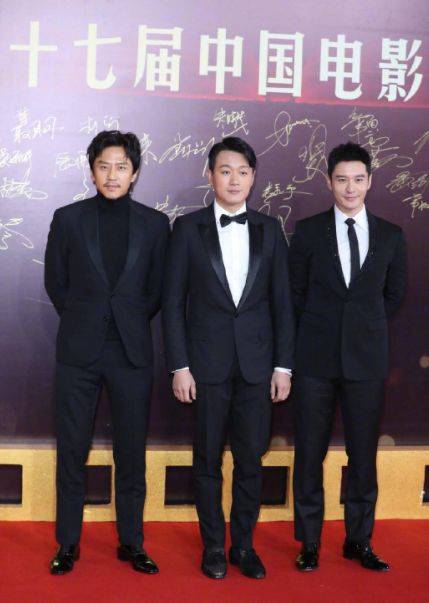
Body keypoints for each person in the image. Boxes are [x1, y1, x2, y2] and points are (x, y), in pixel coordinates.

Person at [162, 136, 294, 579]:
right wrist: (180, 366)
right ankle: (214, 546)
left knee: (250, 461)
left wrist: (283, 365)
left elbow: (283, 304)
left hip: (258, 367)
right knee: (207, 462)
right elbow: (173, 302)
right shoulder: (187, 229)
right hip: (206, 366)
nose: (234, 180)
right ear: (209, 175)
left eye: (242, 172)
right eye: (225, 171)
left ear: (253, 178)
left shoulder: (270, 229)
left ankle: (244, 547)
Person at [45, 130, 169, 575]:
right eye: (104, 166)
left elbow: (157, 290)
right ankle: (67, 544)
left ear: (134, 173)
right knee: (72, 450)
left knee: (131, 453)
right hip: (79, 352)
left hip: (131, 353)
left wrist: (126, 319)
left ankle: (132, 542)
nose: (112, 175)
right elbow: (55, 283)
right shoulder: (68, 219)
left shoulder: (156, 224)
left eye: (121, 166)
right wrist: (86, 318)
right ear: (92, 170)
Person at [289, 141, 406, 572]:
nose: (350, 188)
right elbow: (295, 292)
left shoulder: (391, 235)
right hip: (314, 362)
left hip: (366, 363)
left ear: (370, 181)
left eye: (358, 179)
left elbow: (393, 295)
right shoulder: (307, 231)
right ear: (329, 182)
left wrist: (359, 327)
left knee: (363, 456)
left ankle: (359, 540)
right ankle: (309, 542)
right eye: (342, 179)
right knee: (309, 454)